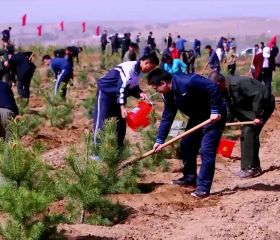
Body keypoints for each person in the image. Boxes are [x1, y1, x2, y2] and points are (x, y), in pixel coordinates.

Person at [147, 68, 226, 198]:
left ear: (163, 83)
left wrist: (215, 110)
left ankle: (203, 188)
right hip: (198, 116)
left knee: (206, 150)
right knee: (187, 144)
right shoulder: (168, 94)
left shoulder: (189, 81)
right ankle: (189, 178)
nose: (156, 91)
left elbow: (214, 87)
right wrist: (159, 140)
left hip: (215, 116)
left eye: (156, 88)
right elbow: (168, 117)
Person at [210, 73, 275, 178]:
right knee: (247, 133)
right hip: (250, 108)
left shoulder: (239, 83)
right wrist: (225, 121)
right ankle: (249, 167)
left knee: (249, 132)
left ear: (220, 83)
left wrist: (258, 115)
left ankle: (252, 168)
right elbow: (230, 107)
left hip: (264, 104)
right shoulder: (223, 89)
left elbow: (258, 95)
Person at [93, 53, 159, 148]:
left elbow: (132, 87)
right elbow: (122, 88)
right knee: (101, 121)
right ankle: (96, 152)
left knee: (120, 123)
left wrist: (140, 93)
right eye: (151, 67)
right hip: (106, 94)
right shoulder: (129, 68)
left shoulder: (138, 72)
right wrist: (122, 107)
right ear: (146, 62)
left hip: (117, 96)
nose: (150, 70)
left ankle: (118, 148)